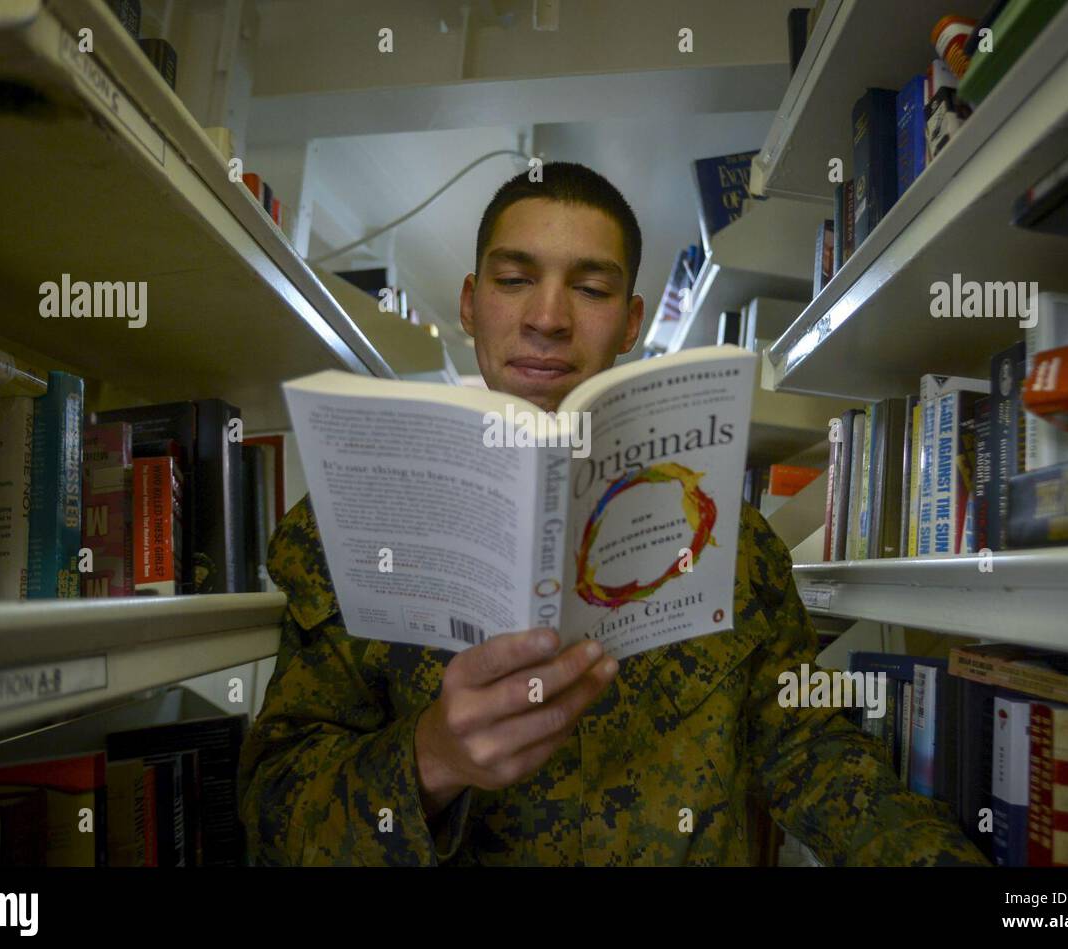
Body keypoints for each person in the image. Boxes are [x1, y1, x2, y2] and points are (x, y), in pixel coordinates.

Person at [238, 162, 987, 866]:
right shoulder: (348, 522)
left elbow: (808, 745)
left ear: (631, 323)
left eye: (590, 289)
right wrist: (434, 758)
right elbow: (275, 813)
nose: (548, 317)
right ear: (471, 303)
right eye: (514, 278)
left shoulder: (725, 529)